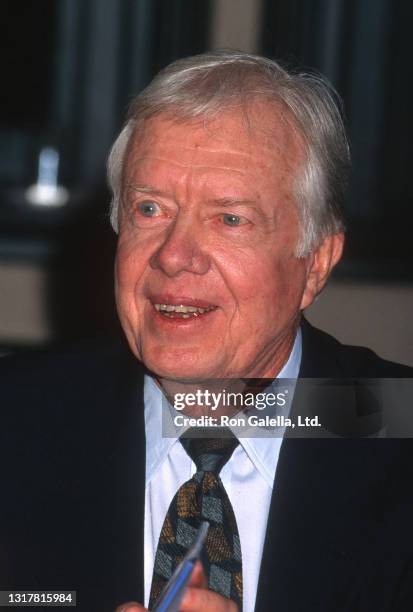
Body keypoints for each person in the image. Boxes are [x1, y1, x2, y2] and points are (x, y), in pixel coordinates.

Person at [1, 51, 412, 612]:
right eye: (150, 209)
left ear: (315, 263)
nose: (174, 256)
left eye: (230, 218)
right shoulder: (17, 418)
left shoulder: (394, 427)